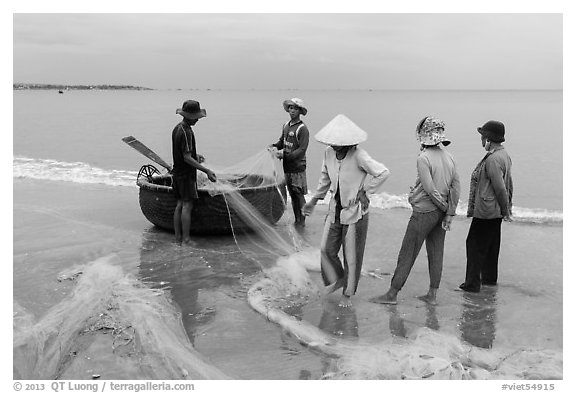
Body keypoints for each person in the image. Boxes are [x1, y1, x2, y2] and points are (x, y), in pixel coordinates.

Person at [370, 116, 460, 306]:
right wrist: (449, 212)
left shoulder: (424, 158)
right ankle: (432, 295)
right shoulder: (450, 157)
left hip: (424, 212)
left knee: (408, 252)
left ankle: (392, 294)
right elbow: (455, 186)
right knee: (436, 252)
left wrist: (442, 206)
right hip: (441, 214)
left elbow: (429, 189)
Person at [302, 114, 390, 307]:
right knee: (326, 250)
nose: (333, 145)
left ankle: (347, 294)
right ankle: (338, 279)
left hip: (354, 213)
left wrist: (365, 191)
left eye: (337, 143)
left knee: (352, 256)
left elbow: (383, 172)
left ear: (347, 143)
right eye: (331, 142)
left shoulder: (359, 155)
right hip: (334, 210)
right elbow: (325, 178)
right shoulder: (328, 153)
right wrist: (314, 200)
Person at [458, 120, 513, 293]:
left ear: (489, 139)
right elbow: (509, 184)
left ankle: (472, 284)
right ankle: (489, 280)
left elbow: (500, 187)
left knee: (474, 245)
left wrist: (506, 211)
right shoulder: (504, 155)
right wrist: (506, 208)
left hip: (487, 211)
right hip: (495, 211)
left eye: (483, 136)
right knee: (491, 246)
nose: (481, 140)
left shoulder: (493, 160)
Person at [171, 100, 217, 245]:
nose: (198, 119)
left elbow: (183, 154)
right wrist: (206, 170)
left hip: (177, 173)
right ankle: (186, 239)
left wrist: (196, 156)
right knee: (187, 205)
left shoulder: (177, 128)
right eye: (196, 116)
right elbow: (186, 158)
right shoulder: (186, 132)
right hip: (185, 175)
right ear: (188, 116)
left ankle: (177, 238)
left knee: (179, 204)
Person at [270, 98, 310, 226]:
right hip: (287, 166)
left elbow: (302, 149)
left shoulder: (302, 129)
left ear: (300, 111)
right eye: (291, 108)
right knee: (292, 194)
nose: (292, 111)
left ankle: (302, 220)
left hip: (298, 167)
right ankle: (297, 219)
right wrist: (274, 146)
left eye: (295, 108)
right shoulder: (286, 125)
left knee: (298, 194)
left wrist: (286, 156)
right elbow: (282, 141)